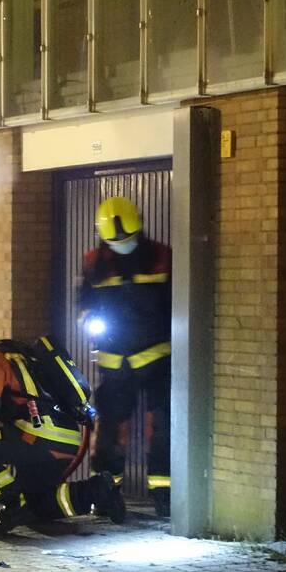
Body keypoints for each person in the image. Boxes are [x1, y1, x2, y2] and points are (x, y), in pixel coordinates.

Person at [0, 325, 125, 536]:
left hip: (34, 435)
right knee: (36, 505)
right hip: (65, 440)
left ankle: (11, 503)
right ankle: (97, 491)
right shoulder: (28, 357)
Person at [77, 196, 172, 516]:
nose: (123, 245)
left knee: (164, 427)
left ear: (140, 227)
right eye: (117, 241)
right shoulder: (93, 263)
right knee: (108, 432)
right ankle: (105, 493)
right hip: (114, 360)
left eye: (128, 239)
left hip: (157, 357)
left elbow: (176, 301)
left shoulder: (162, 257)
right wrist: (89, 319)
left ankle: (164, 494)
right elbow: (84, 303)